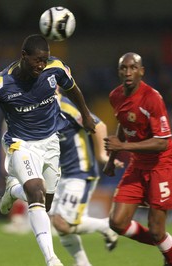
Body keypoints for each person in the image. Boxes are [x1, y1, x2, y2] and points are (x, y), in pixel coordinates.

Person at [0, 34, 96, 266]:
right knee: (35, 190)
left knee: (45, 204)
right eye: (37, 60)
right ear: (23, 56)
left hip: (50, 143)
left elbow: (73, 89)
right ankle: (51, 259)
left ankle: (13, 191)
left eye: (44, 60)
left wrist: (87, 115)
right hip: (20, 144)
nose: (41, 66)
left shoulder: (56, 69)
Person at [103, 52, 172, 266]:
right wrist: (112, 159)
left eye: (133, 68)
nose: (128, 72)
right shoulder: (115, 96)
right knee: (117, 222)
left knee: (158, 231)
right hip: (138, 164)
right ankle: (170, 243)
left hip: (163, 165)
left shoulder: (152, 98)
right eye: (124, 68)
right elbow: (124, 124)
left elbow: (162, 142)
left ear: (141, 71)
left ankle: (171, 254)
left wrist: (123, 147)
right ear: (119, 71)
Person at [49, 89, 123, 266]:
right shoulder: (41, 110)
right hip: (61, 174)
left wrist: (103, 156)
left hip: (79, 172)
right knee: (58, 223)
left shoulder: (66, 107)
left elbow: (99, 126)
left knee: (62, 223)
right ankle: (83, 264)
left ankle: (105, 226)